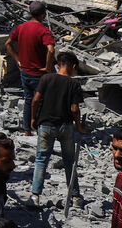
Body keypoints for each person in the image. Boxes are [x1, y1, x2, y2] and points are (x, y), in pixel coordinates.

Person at [28, 51, 85, 207]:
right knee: (69, 161)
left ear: (57, 65)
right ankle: (75, 197)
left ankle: (35, 196)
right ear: (73, 67)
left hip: (45, 125)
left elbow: (35, 100)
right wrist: (79, 126)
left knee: (41, 160)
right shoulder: (74, 84)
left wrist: (33, 118)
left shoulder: (46, 78)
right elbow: (74, 109)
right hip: (65, 126)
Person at [5, 0, 55, 135]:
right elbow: (50, 49)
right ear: (43, 14)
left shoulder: (21, 27)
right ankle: (39, 129)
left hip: (25, 71)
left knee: (28, 100)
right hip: (39, 74)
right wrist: (47, 67)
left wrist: (18, 60)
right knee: (40, 102)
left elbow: (8, 43)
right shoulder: (44, 31)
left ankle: (27, 130)